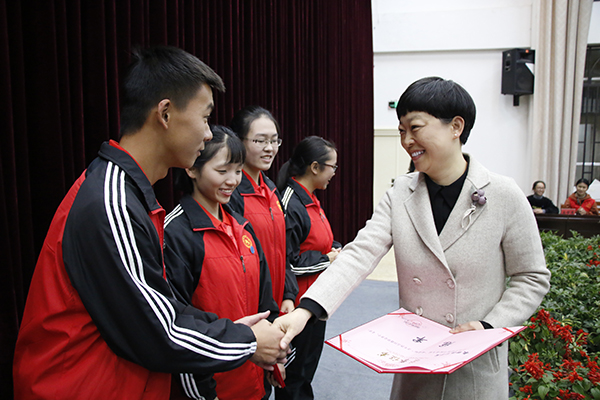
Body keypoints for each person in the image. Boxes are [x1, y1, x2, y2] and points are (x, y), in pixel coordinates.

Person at [12, 46, 286, 400]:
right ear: (165, 114)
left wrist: (230, 330)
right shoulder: (112, 202)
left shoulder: (130, 194)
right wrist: (247, 341)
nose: (208, 134)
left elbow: (161, 304)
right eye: (205, 118)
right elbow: (158, 333)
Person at [274, 77, 551, 400]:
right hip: (415, 366)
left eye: (415, 127)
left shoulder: (503, 194)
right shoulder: (400, 194)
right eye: (401, 130)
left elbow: (531, 277)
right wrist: (305, 311)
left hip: (475, 368)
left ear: (456, 126)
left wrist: (489, 327)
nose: (407, 140)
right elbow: (358, 255)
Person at [164, 126, 280, 400]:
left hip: (254, 377)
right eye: (222, 171)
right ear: (192, 169)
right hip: (214, 386)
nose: (233, 180)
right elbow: (179, 325)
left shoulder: (242, 226)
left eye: (238, 171)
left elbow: (265, 302)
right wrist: (203, 394)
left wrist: (274, 354)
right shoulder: (176, 233)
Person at [229, 106, 298, 398]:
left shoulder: (270, 188)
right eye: (260, 140)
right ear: (239, 141)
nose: (269, 148)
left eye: (274, 140)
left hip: (275, 303)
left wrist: (288, 294)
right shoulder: (231, 193)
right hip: (251, 307)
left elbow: (283, 249)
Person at [274, 136, 342, 400]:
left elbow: (316, 243)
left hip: (316, 300)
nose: (334, 173)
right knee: (294, 377)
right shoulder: (290, 202)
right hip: (297, 304)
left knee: (306, 371)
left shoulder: (310, 198)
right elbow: (287, 262)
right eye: (332, 167)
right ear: (315, 167)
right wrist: (327, 260)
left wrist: (334, 249)